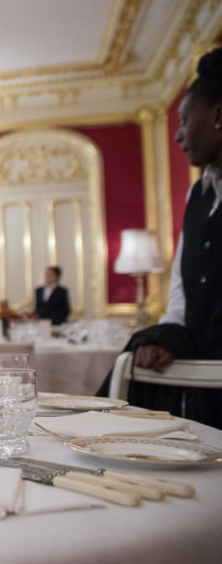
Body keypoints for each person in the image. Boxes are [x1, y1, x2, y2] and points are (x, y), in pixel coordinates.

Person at [96, 47, 222, 428]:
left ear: (218, 115)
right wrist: (166, 338)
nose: (178, 135)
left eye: (184, 120)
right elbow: (182, 296)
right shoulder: (196, 196)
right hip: (201, 384)